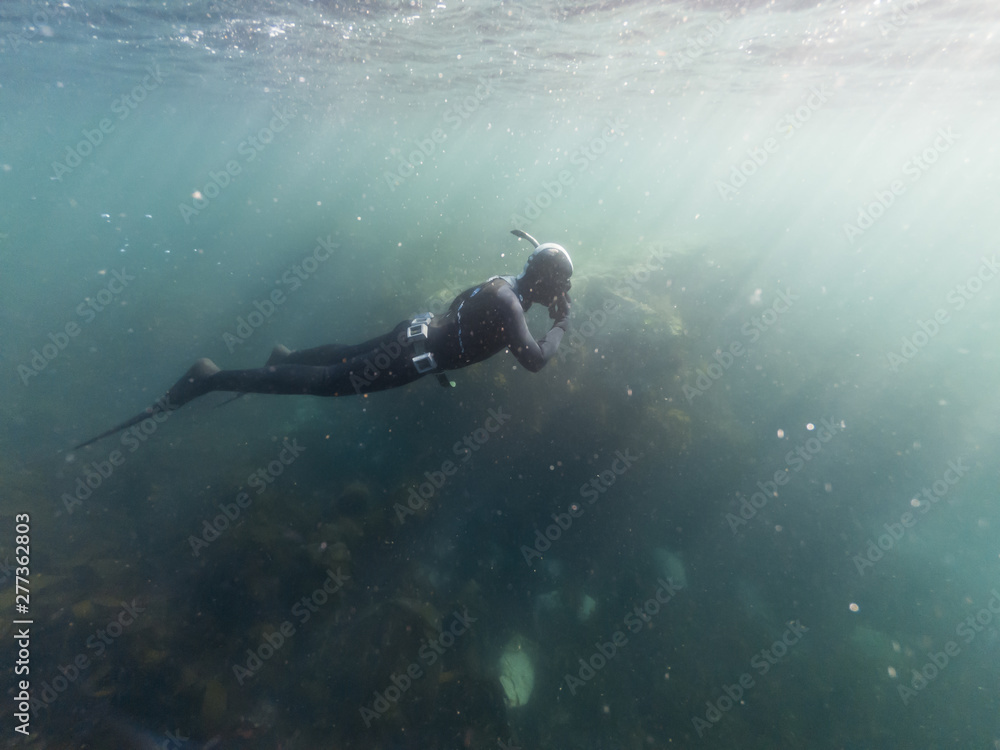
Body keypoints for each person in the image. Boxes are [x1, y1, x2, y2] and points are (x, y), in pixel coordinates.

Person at [75, 230, 573, 449]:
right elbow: (533, 360)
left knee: (341, 355)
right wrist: (561, 326)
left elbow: (459, 323)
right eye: (561, 286)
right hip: (410, 357)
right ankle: (209, 379)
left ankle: (284, 357)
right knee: (328, 382)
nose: (561, 294)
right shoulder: (512, 306)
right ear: (549, 282)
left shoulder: (503, 286)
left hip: (413, 334)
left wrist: (440, 361)